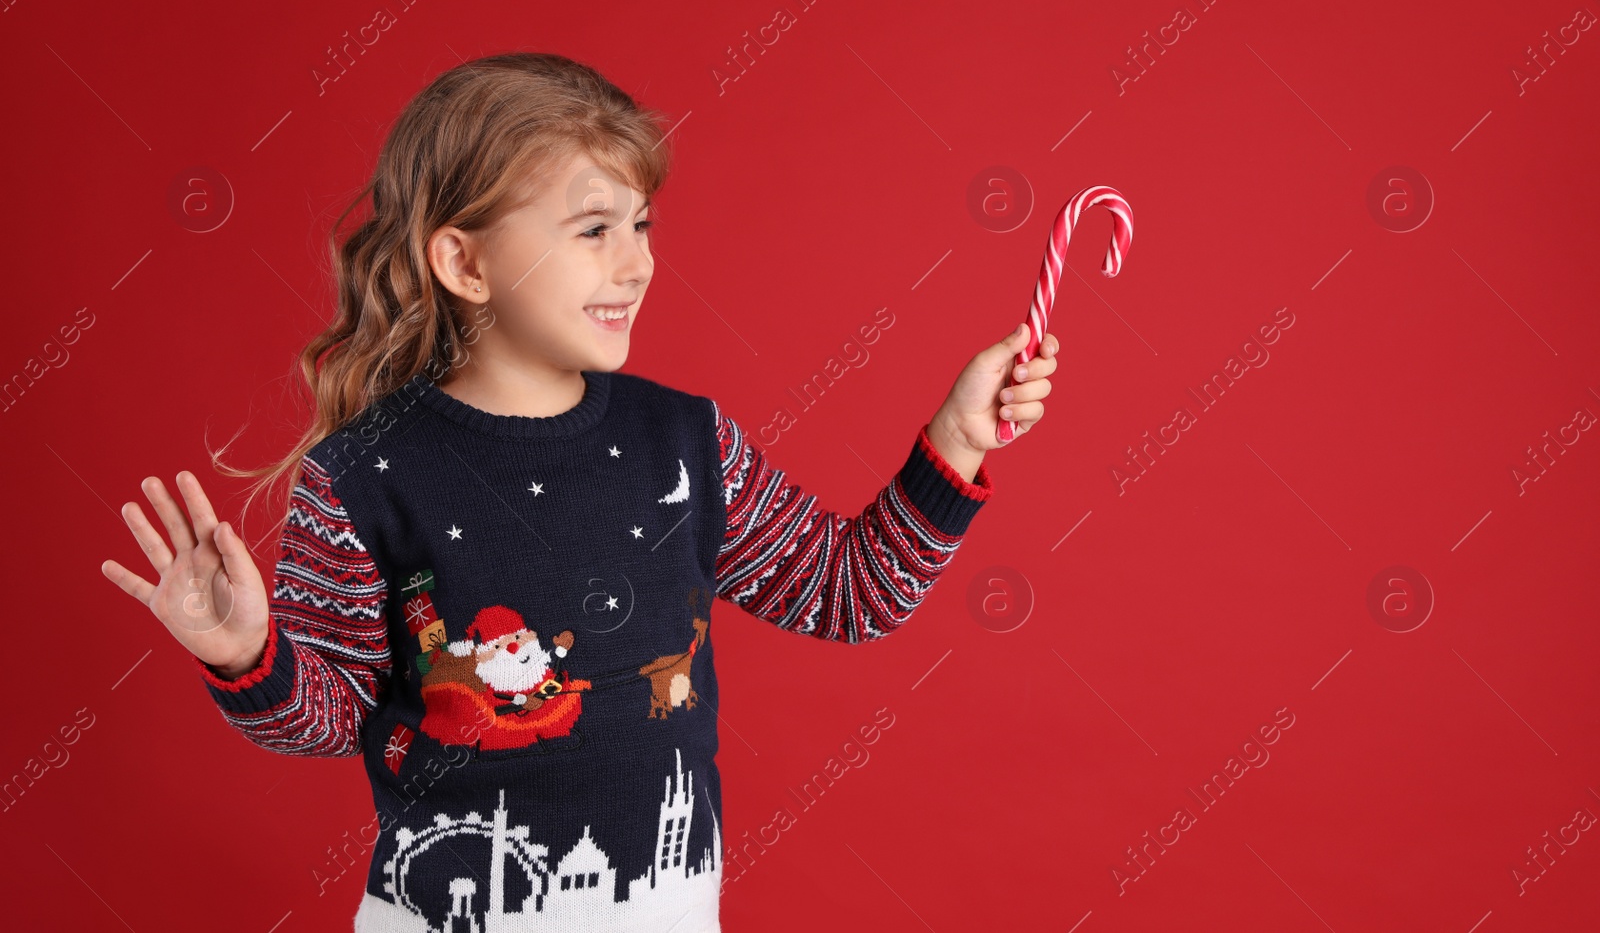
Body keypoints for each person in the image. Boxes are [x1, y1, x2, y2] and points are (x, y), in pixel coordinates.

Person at [100, 53, 1060, 932]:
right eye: (594, 228)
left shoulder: (685, 440)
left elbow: (849, 593)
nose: (637, 261)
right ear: (464, 262)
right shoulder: (365, 474)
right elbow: (330, 718)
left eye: (641, 225)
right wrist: (243, 652)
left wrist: (956, 441)